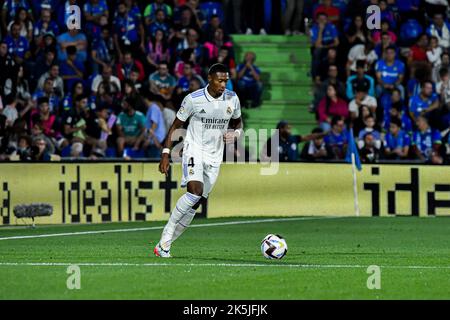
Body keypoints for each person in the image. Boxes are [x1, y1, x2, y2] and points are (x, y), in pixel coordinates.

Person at [154, 63, 243, 257]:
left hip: (215, 156)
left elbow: (238, 123)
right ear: (210, 79)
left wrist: (235, 134)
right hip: (194, 150)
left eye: (226, 81)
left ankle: (164, 246)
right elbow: (175, 126)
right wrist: (166, 153)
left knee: (196, 204)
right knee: (195, 192)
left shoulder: (232, 98)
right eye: (220, 80)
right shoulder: (193, 99)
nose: (223, 84)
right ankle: (167, 233)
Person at [260, 120, 326, 162]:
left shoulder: (294, 138)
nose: (290, 130)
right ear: (281, 129)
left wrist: (323, 134)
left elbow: (309, 137)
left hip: (294, 168)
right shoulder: (272, 141)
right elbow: (263, 155)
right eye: (288, 128)